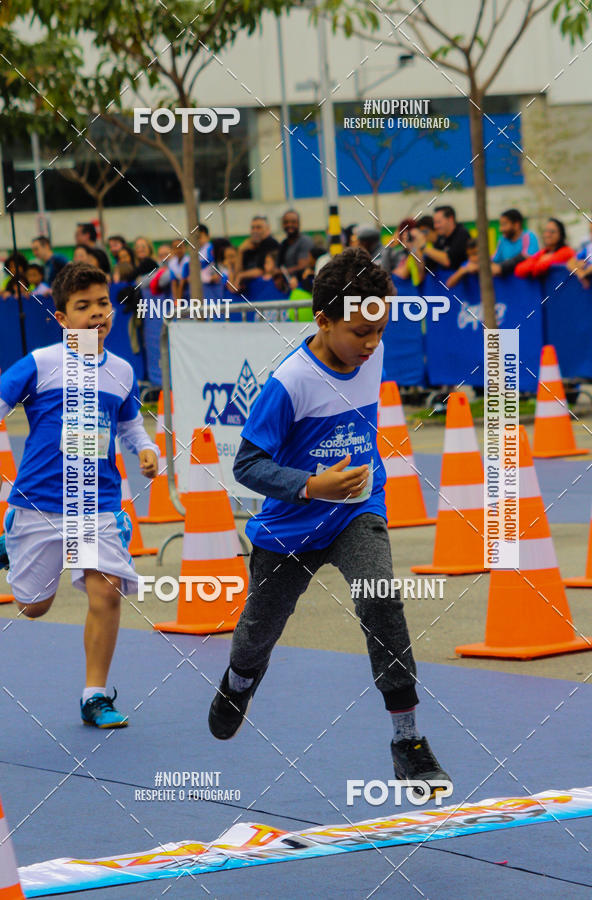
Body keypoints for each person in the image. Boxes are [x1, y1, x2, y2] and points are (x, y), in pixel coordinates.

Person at [208, 247, 451, 797]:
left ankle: (407, 740)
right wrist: (310, 486)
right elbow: (246, 464)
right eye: (359, 332)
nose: (370, 343)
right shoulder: (290, 382)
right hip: (289, 529)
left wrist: (343, 490)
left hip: (358, 512)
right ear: (322, 321)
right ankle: (239, 682)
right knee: (256, 636)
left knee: (380, 597)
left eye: (379, 330)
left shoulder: (373, 352)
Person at [0, 262, 159, 728]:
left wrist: (145, 449)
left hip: (98, 504)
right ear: (62, 319)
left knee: (106, 593)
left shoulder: (122, 371)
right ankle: (11, 544)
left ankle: (95, 695)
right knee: (32, 606)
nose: (96, 314)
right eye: (82, 307)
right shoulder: (40, 364)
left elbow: (128, 424)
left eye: (102, 304)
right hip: (39, 502)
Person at [490, 209, 539, 277]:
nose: (500, 229)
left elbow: (527, 256)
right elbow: (494, 259)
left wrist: (502, 267)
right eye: (500, 225)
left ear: (516, 225)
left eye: (504, 224)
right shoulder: (502, 240)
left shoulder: (528, 236)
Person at [421, 206, 470, 271]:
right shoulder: (441, 238)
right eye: (434, 223)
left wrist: (423, 247)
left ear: (450, 219)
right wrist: (415, 249)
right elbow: (429, 265)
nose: (435, 226)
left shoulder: (462, 234)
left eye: (438, 222)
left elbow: (449, 261)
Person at [236, 216, 279, 288]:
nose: (255, 231)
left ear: (267, 230)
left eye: (259, 227)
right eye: (253, 228)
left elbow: (262, 270)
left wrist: (241, 275)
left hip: (266, 289)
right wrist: (240, 252)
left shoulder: (270, 243)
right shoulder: (248, 245)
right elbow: (238, 271)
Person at [277, 210, 313, 288]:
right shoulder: (283, 244)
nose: (289, 225)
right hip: (288, 289)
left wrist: (280, 272)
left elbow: (303, 266)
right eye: (286, 222)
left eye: (293, 222)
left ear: (299, 223)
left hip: (303, 287)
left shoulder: (304, 241)